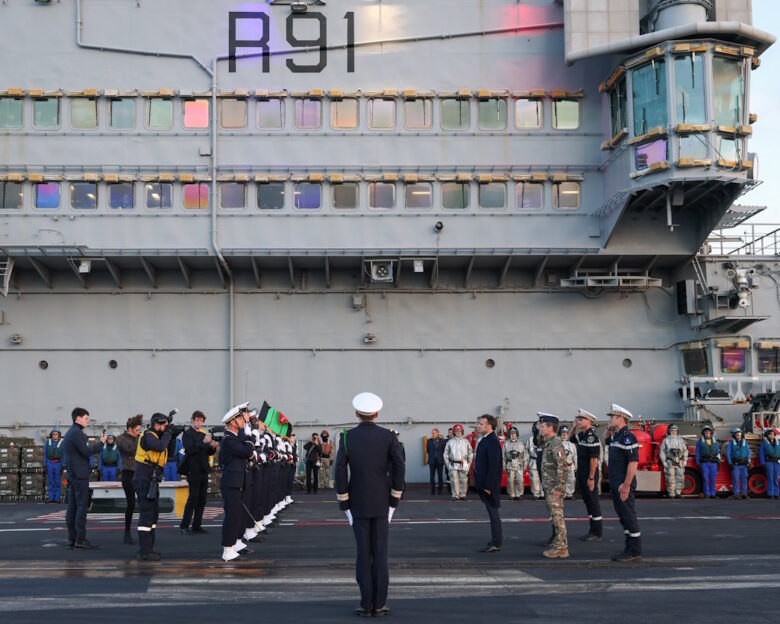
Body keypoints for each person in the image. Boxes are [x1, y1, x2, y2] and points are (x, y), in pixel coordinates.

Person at [335, 392, 405, 618]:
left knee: (363, 554)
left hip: (358, 502)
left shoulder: (346, 437)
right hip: (382, 501)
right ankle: (379, 604)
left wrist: (344, 501)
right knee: (380, 553)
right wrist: (394, 499)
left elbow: (339, 471)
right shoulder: (389, 436)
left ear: (357, 414)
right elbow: (399, 467)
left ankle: (366, 604)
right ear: (377, 413)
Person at [62, 407, 106, 549]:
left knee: (72, 507)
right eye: (86, 418)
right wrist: (101, 444)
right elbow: (86, 451)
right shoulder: (77, 433)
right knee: (81, 507)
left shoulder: (70, 433)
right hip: (80, 475)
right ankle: (80, 539)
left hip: (72, 474)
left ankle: (72, 538)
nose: (88, 421)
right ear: (78, 419)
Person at [133, 412, 172, 561]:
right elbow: (160, 447)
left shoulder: (159, 436)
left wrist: (170, 435)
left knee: (153, 514)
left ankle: (149, 548)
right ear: (157, 426)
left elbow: (168, 448)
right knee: (147, 514)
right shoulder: (148, 436)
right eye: (165, 426)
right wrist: (168, 434)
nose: (167, 429)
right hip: (144, 478)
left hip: (152, 479)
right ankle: (144, 551)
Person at [220, 402, 256, 562]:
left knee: (238, 515)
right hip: (231, 482)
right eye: (241, 419)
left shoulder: (234, 438)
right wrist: (248, 436)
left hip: (237, 481)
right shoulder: (228, 439)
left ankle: (234, 544)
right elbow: (248, 451)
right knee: (232, 516)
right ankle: (227, 549)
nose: (244, 422)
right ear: (232, 421)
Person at [607, 404, 641, 562]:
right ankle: (629, 547)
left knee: (628, 515)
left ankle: (634, 551)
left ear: (621, 419)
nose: (610, 419)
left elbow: (633, 463)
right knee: (623, 516)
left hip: (623, 484)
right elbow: (606, 440)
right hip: (616, 483)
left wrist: (626, 485)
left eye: (612, 417)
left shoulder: (628, 437)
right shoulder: (616, 436)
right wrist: (609, 427)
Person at [180, 410, 218, 535]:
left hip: (203, 469)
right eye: (197, 420)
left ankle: (197, 525)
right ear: (192, 420)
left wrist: (213, 446)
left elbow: (208, 452)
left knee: (202, 499)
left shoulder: (202, 434)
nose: (199, 422)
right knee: (193, 498)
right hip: (193, 469)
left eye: (201, 420)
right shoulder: (187, 434)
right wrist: (203, 442)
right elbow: (190, 450)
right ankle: (184, 525)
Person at [538, 413, 568, 558]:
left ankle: (561, 547)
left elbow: (562, 466)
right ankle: (558, 542)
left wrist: (558, 488)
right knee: (554, 516)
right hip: (549, 486)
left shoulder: (556, 443)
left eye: (542, 426)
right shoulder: (548, 442)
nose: (540, 428)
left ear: (550, 428)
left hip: (553, 487)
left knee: (557, 517)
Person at [572, 408, 603, 541]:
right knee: (588, 501)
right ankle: (592, 530)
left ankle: (597, 532)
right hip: (583, 472)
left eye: (581, 419)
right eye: (578, 419)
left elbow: (594, 459)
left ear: (589, 421)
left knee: (593, 502)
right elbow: (571, 438)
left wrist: (591, 478)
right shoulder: (583, 435)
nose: (578, 421)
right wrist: (573, 427)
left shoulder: (591, 436)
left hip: (590, 474)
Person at [474, 414, 502, 553]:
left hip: (488, 486)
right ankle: (495, 541)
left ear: (489, 426)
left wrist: (488, 486)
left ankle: (496, 542)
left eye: (481, 424)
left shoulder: (492, 441)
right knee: (492, 513)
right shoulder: (485, 439)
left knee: (493, 513)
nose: (479, 426)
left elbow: (494, 466)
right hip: (484, 484)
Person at [117, 414, 142, 544]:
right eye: (137, 430)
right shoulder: (120, 439)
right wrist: (139, 438)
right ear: (131, 428)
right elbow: (130, 450)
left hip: (140, 473)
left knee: (144, 502)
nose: (138, 433)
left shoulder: (138, 438)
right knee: (131, 504)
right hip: (128, 473)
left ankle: (144, 532)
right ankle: (127, 533)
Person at [659, 423, 688, 499]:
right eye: (672, 430)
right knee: (670, 478)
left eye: (675, 430)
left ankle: (678, 493)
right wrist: (664, 461)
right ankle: (671, 494)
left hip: (679, 460)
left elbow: (685, 450)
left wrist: (685, 460)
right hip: (670, 460)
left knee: (680, 477)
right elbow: (662, 451)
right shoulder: (666, 440)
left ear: (677, 431)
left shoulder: (681, 440)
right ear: (669, 431)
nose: (674, 432)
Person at [444, 423, 473, 500]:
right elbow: (445, 454)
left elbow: (470, 453)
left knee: (464, 480)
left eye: (460, 430)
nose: (458, 432)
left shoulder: (466, 441)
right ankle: (455, 495)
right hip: (453, 464)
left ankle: (463, 495)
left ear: (462, 431)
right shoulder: (450, 442)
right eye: (456, 430)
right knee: (454, 480)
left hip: (463, 463)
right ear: (454, 431)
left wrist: (469, 463)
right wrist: (448, 465)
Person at [696, 424, 720, 499]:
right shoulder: (700, 441)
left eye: (709, 432)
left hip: (713, 463)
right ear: (703, 433)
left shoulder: (714, 441)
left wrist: (718, 461)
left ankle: (713, 494)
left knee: (713, 479)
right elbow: (697, 452)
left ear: (711, 433)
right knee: (705, 479)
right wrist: (698, 462)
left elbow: (717, 451)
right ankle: (707, 494)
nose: (707, 434)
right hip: (704, 463)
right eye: (706, 433)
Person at [502, 427, 527, 500]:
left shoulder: (520, 443)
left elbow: (525, 454)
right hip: (510, 464)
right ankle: (512, 494)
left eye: (514, 433)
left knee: (520, 480)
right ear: (509, 434)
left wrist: (525, 464)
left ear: (517, 434)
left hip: (519, 464)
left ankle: (519, 494)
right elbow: (503, 456)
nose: (513, 435)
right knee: (510, 480)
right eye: (511, 433)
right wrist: (504, 465)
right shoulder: (506, 444)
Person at [726, 427, 750, 500]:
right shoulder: (731, 443)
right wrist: (730, 463)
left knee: (744, 479)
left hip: (744, 464)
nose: (738, 436)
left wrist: (748, 461)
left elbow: (748, 452)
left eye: (739, 435)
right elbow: (728, 453)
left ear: (741, 435)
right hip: (735, 464)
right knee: (735, 479)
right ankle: (736, 494)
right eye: (736, 435)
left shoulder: (745, 442)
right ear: (734, 436)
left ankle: (744, 494)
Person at [44, 429, 64, 503]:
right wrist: (45, 464)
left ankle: (57, 498)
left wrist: (63, 465)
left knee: (57, 481)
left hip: (58, 463)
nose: (54, 435)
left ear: (59, 435)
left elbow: (64, 455)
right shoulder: (47, 443)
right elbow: (45, 454)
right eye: (53, 434)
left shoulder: (62, 443)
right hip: (49, 463)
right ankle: (51, 498)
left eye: (56, 434)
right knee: (51, 481)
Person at [760, 429, 780, 499]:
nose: (771, 435)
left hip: (777, 463)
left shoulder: (778, 443)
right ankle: (770, 494)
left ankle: (776, 494)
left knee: (775, 478)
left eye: (772, 434)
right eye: (770, 434)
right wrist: (763, 463)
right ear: (767, 435)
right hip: (768, 462)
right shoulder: (764, 443)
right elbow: (761, 454)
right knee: (770, 478)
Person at [559, 426, 577, 499]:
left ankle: (570, 494)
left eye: (566, 433)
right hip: (560, 465)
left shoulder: (572, 445)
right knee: (561, 480)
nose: (564, 435)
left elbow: (575, 456)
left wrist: (575, 465)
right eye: (563, 433)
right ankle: (562, 494)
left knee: (571, 479)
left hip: (570, 465)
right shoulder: (557, 443)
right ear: (560, 433)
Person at [426, 428, 446, 495]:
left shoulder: (442, 441)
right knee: (432, 476)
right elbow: (428, 450)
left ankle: (440, 491)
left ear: (437, 433)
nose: (432, 434)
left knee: (440, 476)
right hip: (432, 461)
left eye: (433, 433)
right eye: (432, 433)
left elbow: (444, 451)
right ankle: (432, 491)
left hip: (439, 461)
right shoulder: (429, 441)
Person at [528, 424, 543, 499]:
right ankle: (536, 494)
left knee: (543, 478)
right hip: (533, 460)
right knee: (534, 479)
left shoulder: (544, 437)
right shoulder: (530, 439)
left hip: (542, 460)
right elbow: (527, 452)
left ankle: (543, 493)